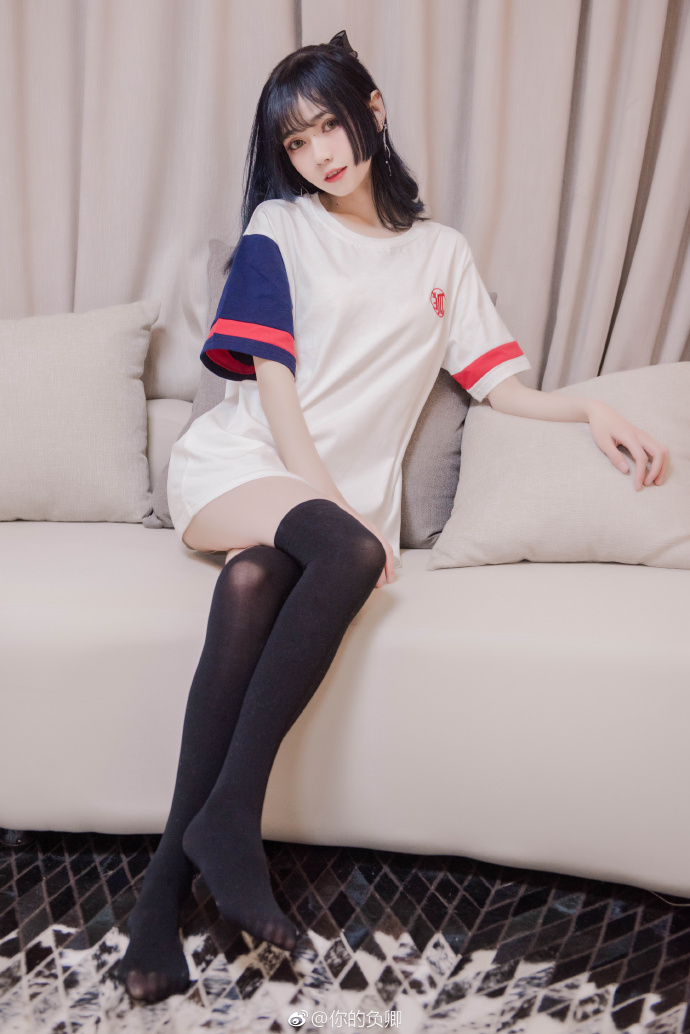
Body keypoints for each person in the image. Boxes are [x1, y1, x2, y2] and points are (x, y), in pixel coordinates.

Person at [116, 30, 669, 1005]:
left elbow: (499, 386)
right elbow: (274, 385)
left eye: (328, 125)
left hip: (320, 511)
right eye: (295, 142)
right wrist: (333, 507)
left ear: (370, 111)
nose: (318, 153)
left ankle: (164, 893)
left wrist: (589, 410)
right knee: (340, 549)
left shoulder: (441, 254)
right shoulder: (281, 227)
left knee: (255, 578)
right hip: (245, 467)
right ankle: (230, 820)